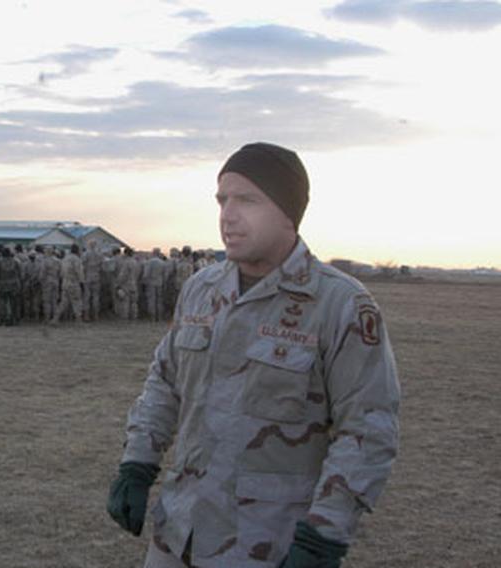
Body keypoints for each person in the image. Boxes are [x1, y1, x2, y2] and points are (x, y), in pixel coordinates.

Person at [107, 142, 400, 568]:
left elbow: (368, 430)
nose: (228, 215)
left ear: (287, 212)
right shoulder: (202, 289)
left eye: (247, 200)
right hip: (178, 531)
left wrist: (323, 536)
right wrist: (137, 463)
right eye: (222, 200)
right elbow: (164, 384)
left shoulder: (339, 305)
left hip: (267, 544)